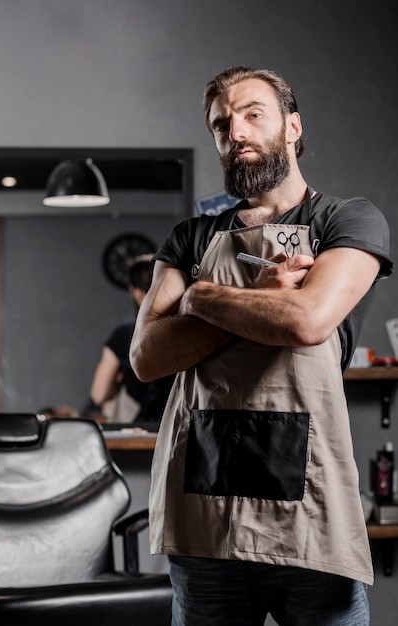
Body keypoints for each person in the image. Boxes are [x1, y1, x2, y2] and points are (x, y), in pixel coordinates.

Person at [130, 66, 393, 625]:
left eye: (253, 114)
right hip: (203, 502)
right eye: (222, 125)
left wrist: (200, 299)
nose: (237, 132)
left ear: (293, 127)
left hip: (307, 503)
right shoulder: (191, 237)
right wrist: (255, 296)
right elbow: (148, 357)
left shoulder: (347, 220)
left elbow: (307, 320)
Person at [86, 256, 174, 424]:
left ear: (137, 292)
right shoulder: (183, 331)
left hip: (137, 429)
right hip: (176, 427)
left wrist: (119, 381)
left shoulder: (124, 335)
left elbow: (99, 394)